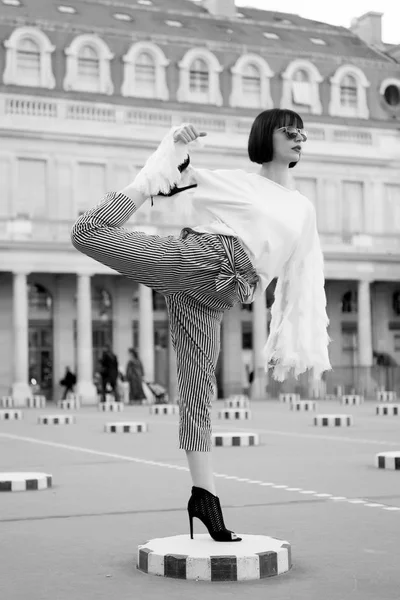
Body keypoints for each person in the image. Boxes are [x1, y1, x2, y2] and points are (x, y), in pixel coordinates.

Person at [71, 108, 331, 543]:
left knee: (197, 392)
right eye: (290, 130)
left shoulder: (303, 208)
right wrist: (175, 140)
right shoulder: (235, 181)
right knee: (87, 232)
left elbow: (303, 278)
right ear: (267, 137)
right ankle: (129, 194)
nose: (299, 137)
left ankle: (204, 498)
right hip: (202, 260)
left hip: (224, 293)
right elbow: (173, 168)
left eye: (302, 132)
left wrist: (289, 339)